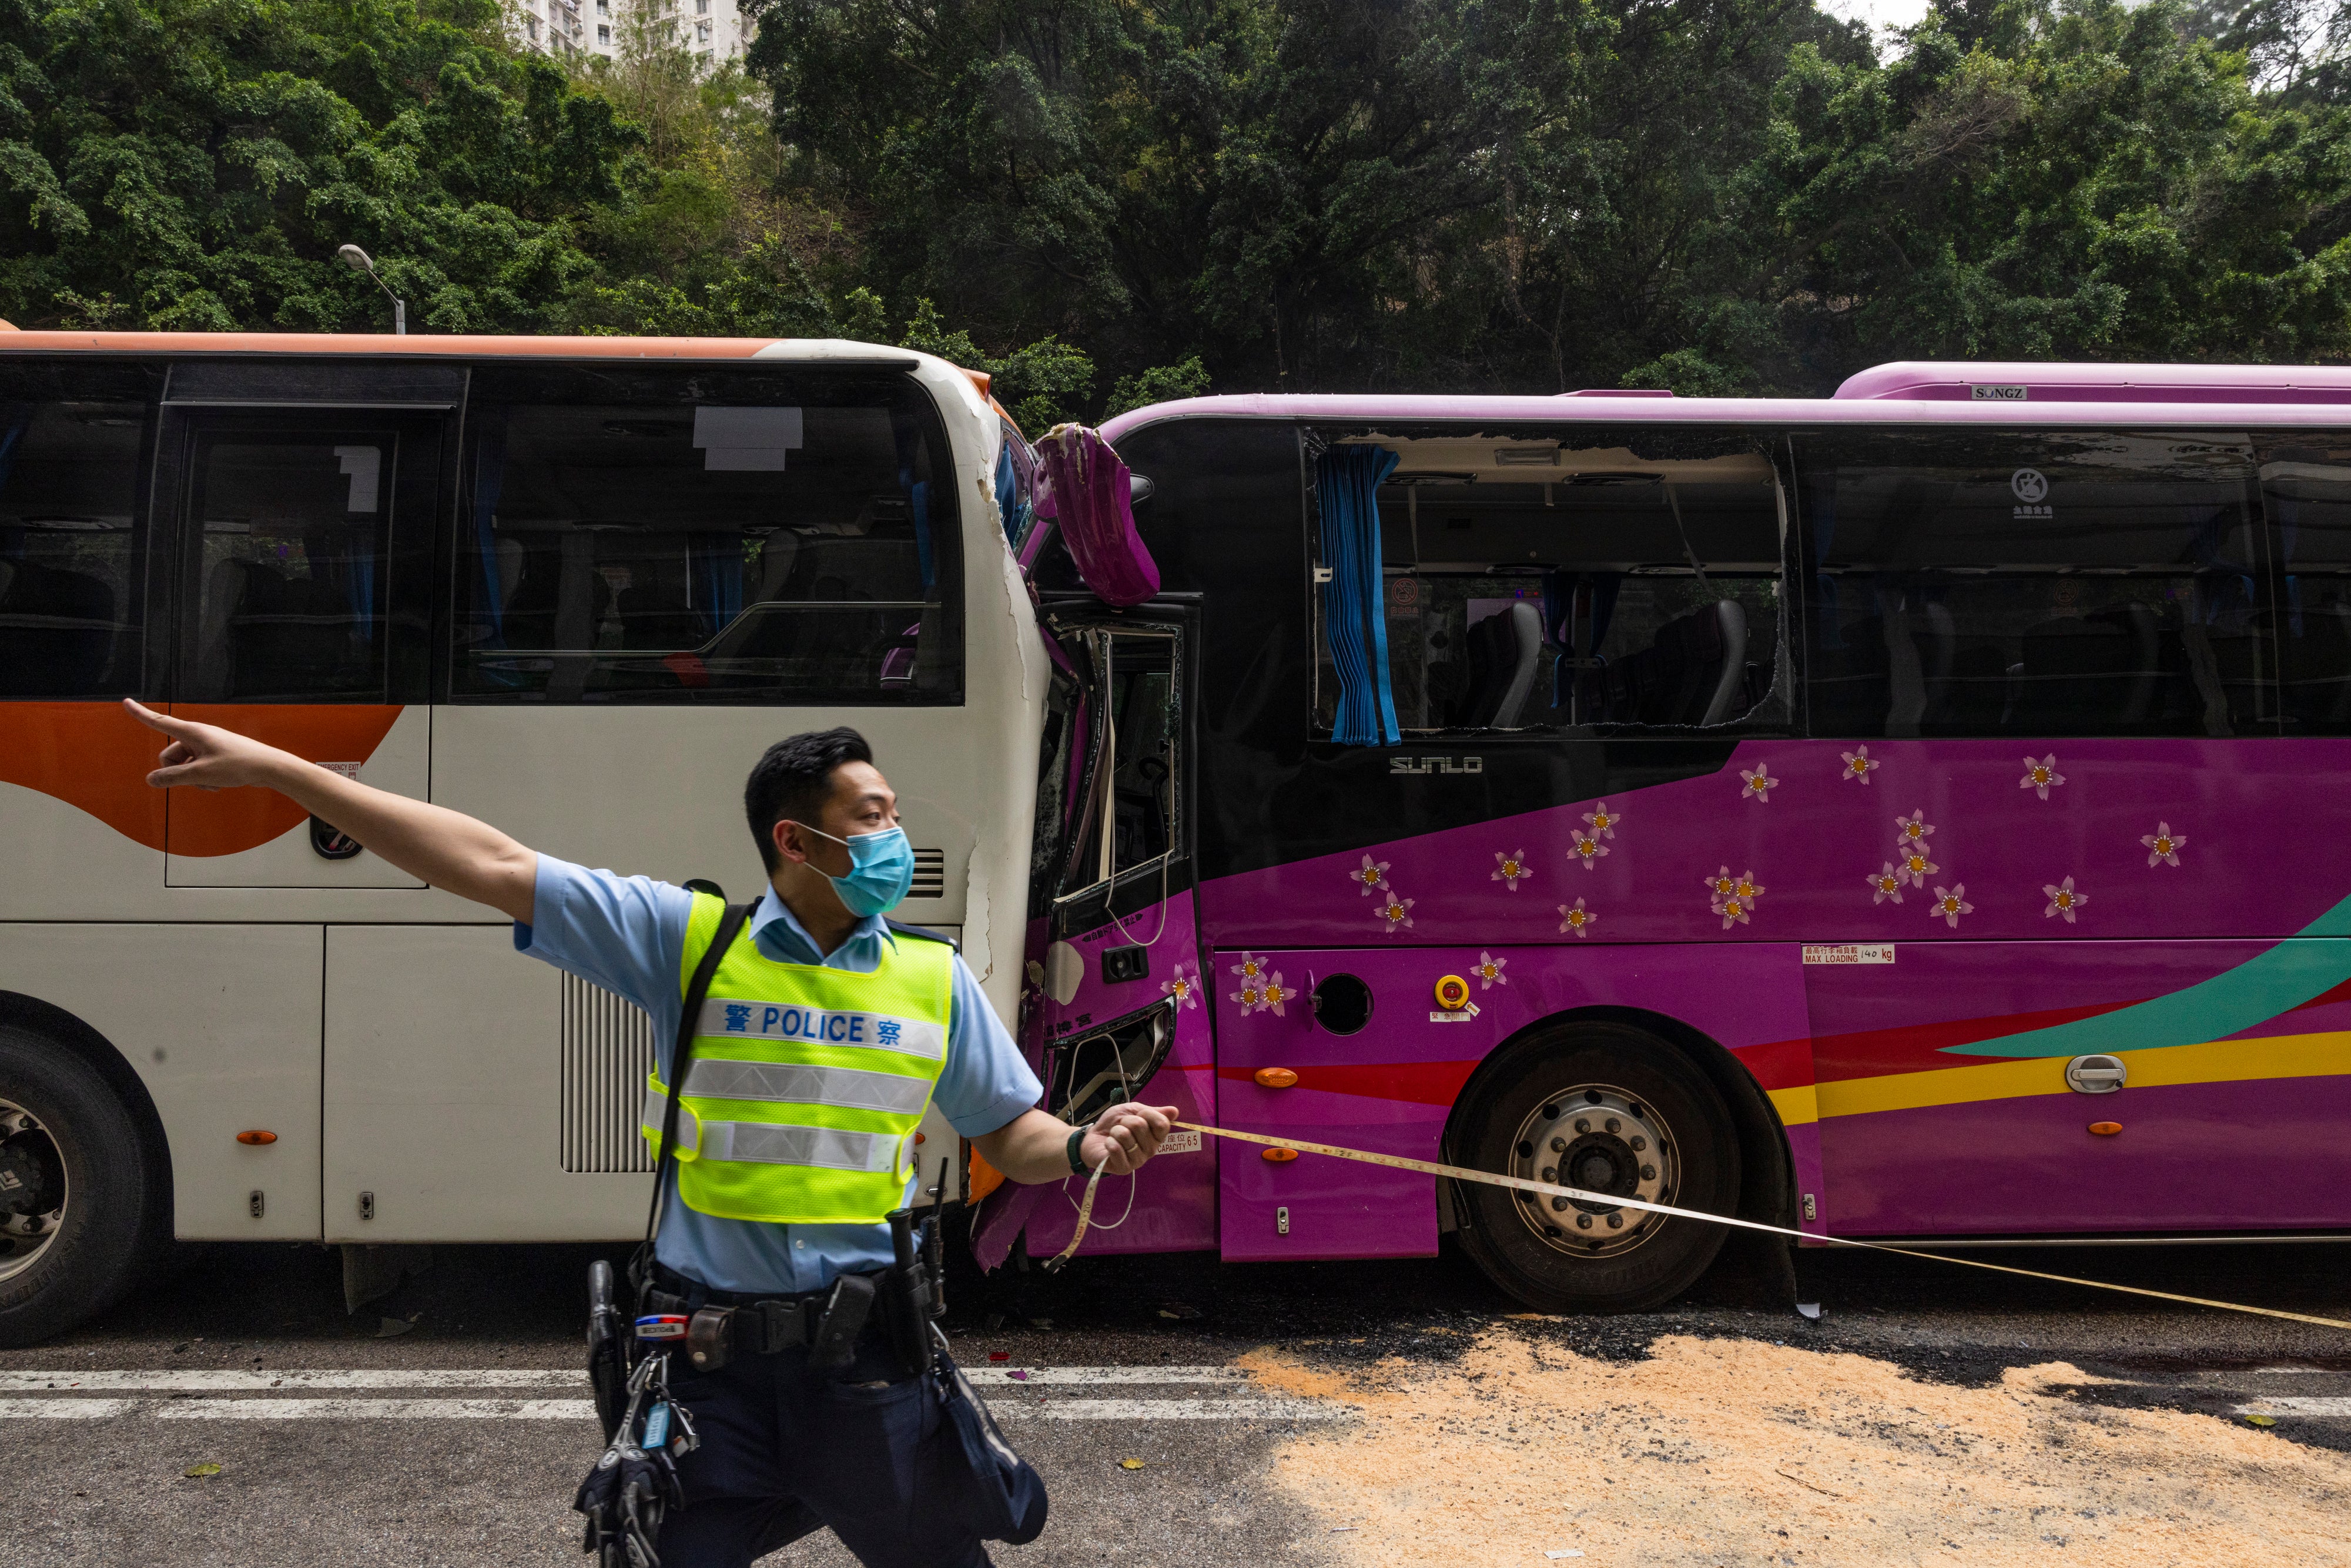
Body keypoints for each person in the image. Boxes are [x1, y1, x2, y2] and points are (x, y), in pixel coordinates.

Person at [123, 699, 1174, 1568]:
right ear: (795, 841)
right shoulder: (692, 942)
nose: (894, 837)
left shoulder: (933, 979)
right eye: (871, 818)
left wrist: (1085, 1144)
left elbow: (1012, 1131)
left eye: (892, 814)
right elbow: (488, 862)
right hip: (708, 1370)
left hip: (865, 1369)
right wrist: (283, 772)